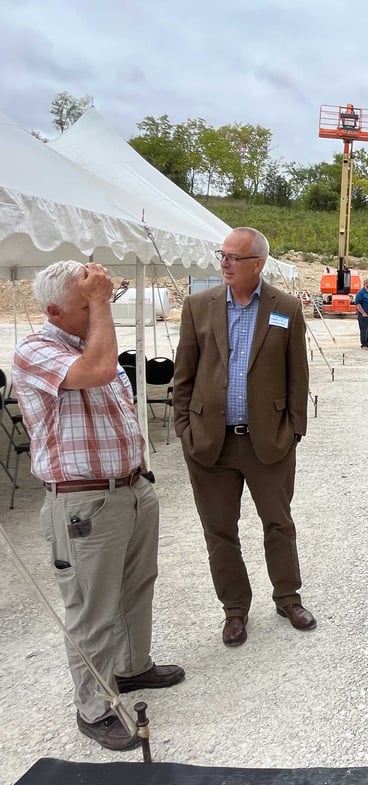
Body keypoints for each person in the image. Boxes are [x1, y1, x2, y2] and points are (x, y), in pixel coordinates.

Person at [12, 260, 183, 751]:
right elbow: (100, 370)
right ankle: (94, 705)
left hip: (128, 488)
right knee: (91, 607)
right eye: (87, 305)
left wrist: (141, 479)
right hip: (84, 500)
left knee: (136, 586)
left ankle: (131, 669)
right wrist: (105, 303)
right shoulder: (37, 351)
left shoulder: (93, 341)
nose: (98, 311)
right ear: (54, 310)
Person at [173, 227, 315, 647]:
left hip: (267, 441)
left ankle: (288, 597)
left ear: (259, 264)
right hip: (209, 444)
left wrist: (294, 430)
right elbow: (184, 375)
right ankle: (234, 611)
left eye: (235, 257)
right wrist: (184, 430)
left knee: (278, 523)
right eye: (223, 255)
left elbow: (297, 375)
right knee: (219, 530)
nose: (225, 263)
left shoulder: (284, 307)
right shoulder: (198, 306)